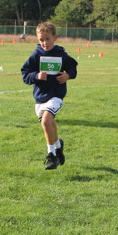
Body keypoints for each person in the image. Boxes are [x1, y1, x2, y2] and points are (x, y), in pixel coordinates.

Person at [21, 21, 78, 170]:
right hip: (40, 97)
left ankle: (51, 155)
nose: (45, 43)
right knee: (48, 123)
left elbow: (73, 68)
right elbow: (25, 74)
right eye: (41, 40)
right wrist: (36, 76)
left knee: (46, 120)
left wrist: (68, 75)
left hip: (56, 95)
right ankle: (58, 145)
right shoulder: (36, 55)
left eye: (48, 39)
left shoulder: (61, 54)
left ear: (55, 38)